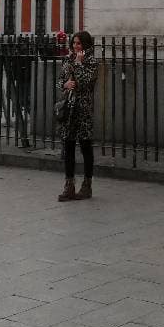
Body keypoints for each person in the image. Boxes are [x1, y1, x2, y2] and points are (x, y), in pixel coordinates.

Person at [57, 31, 99, 202]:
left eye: (79, 43)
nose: (76, 46)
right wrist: (65, 84)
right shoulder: (67, 60)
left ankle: (87, 185)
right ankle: (69, 185)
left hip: (83, 110)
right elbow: (60, 80)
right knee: (68, 146)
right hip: (69, 108)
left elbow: (86, 82)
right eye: (74, 43)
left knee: (85, 147)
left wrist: (79, 64)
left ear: (86, 45)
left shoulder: (91, 62)